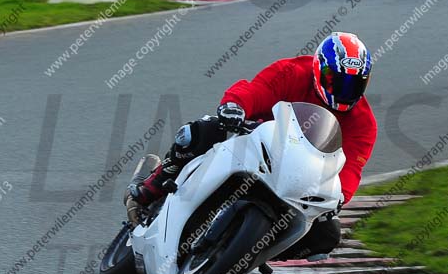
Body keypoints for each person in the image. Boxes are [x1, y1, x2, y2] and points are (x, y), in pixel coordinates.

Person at [125, 32, 378, 259]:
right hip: (255, 142)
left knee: (326, 235)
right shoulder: (292, 71)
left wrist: (340, 196)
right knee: (198, 133)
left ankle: (251, 253)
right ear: (318, 69)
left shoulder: (364, 123)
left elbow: (352, 166)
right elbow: (258, 90)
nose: (344, 91)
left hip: (298, 177)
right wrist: (235, 106)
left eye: (353, 84)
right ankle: (151, 188)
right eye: (336, 81)